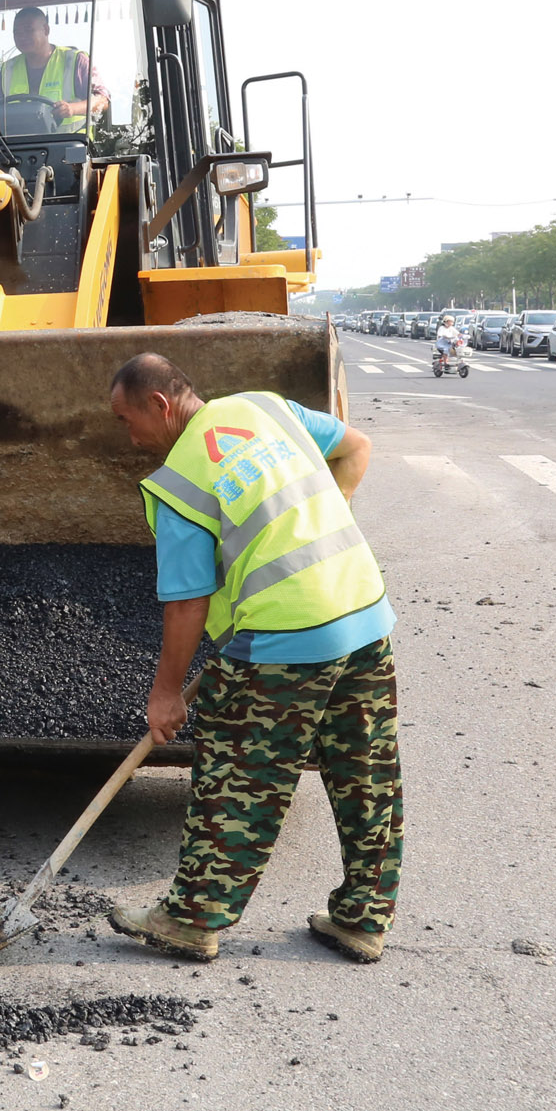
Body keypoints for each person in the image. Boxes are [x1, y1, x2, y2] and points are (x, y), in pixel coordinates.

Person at [101, 352, 401, 965]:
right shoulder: (267, 408)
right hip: (364, 614)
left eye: (127, 421)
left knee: (239, 781)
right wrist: (328, 520)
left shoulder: (181, 482)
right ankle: (363, 919)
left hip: (282, 641)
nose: (129, 438)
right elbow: (357, 446)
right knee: (367, 776)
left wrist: (165, 693)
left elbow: (187, 604)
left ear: (160, 405)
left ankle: (191, 919)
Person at [0, 7, 109, 134]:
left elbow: (102, 100)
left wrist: (72, 109)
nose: (22, 37)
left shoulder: (74, 61)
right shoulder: (8, 69)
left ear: (46, 30)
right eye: (17, 33)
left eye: (28, 30)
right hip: (19, 146)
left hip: (71, 143)